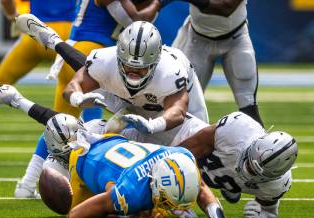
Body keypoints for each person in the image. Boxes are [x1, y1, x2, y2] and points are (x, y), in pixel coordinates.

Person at [0, 83, 242, 218]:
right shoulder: (129, 192)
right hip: (85, 162)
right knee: (61, 200)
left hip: (111, 141)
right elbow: (76, 216)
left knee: (69, 126)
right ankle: (15, 100)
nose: (179, 209)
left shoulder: (177, 157)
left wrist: (217, 215)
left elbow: (200, 184)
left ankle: (15, 99)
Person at [15, 15, 209, 147]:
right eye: (128, 66)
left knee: (200, 144)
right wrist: (76, 99)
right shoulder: (107, 59)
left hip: (164, 106)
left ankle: (54, 41)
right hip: (128, 101)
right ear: (119, 56)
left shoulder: (170, 71)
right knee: (92, 73)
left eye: (140, 68)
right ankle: (53, 41)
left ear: (154, 62)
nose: (133, 72)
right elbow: (74, 86)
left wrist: (153, 126)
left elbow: (177, 113)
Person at [0, 0, 78, 199]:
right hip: (68, 37)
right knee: (68, 113)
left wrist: (14, 17)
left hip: (36, 32)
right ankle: (29, 182)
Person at [170, 111, 297, 218]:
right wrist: (175, 194)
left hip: (213, 173)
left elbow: (269, 211)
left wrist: (262, 215)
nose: (247, 169)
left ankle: (230, 186)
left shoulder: (277, 184)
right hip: (177, 138)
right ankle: (230, 186)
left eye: (254, 172)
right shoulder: (238, 131)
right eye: (249, 162)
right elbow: (179, 156)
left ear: (272, 177)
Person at [172, 0, 264, 126]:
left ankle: (260, 145)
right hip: (198, 41)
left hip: (235, 40)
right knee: (187, 106)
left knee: (248, 106)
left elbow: (226, 7)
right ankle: (187, 144)